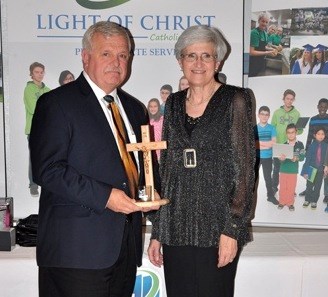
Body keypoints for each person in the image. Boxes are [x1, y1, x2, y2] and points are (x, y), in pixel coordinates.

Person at [29, 21, 161, 297]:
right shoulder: (56, 103)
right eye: (107, 54)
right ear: (86, 57)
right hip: (75, 253)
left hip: (124, 251)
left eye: (123, 55)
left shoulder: (135, 110)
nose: (116, 62)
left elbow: (143, 169)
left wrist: (152, 196)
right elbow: (47, 170)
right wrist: (105, 197)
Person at [147, 24, 256, 297]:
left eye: (206, 56)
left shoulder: (236, 99)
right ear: (180, 61)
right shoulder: (172, 103)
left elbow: (245, 170)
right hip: (176, 225)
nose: (198, 63)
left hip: (218, 227)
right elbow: (167, 168)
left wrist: (232, 229)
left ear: (217, 61)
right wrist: (158, 230)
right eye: (190, 55)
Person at [23, 62, 51, 197]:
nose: (39, 74)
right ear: (31, 74)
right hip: (33, 130)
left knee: (49, 156)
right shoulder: (28, 89)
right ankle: (33, 185)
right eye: (36, 72)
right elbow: (33, 108)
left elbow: (54, 109)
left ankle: (47, 182)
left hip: (47, 130)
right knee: (34, 158)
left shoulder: (48, 90)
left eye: (41, 72)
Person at [271, 89, 302, 195]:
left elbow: (299, 131)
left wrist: (300, 128)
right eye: (287, 98)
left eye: (291, 99)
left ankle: (290, 188)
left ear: (293, 100)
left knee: (289, 168)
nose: (289, 101)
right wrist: (273, 143)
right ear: (283, 98)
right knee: (276, 168)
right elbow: (273, 128)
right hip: (279, 145)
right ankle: (274, 187)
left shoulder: (297, 113)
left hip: (291, 146)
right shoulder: (276, 112)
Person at [299, 98, 328, 202]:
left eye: (325, 106)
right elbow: (310, 135)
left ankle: (326, 194)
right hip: (315, 148)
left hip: (326, 150)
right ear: (317, 106)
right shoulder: (313, 119)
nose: (323, 108)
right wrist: (307, 149)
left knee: (325, 171)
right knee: (312, 169)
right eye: (321, 106)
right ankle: (308, 189)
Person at [277, 124, 305, 211]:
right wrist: (281, 159)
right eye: (288, 133)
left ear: (296, 132)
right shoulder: (283, 145)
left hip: (293, 171)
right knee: (282, 187)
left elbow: (303, 157)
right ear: (286, 133)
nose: (291, 134)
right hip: (283, 170)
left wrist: (296, 158)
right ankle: (281, 201)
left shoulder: (300, 144)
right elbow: (280, 160)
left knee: (291, 187)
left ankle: (290, 203)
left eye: (292, 132)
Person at [254, 106, 278, 205]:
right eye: (262, 114)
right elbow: (253, 144)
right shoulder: (254, 128)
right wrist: (265, 144)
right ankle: (250, 198)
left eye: (266, 114)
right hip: (257, 157)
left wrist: (260, 144)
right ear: (259, 115)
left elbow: (273, 143)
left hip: (268, 157)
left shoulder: (272, 128)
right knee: (253, 178)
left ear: (269, 116)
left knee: (268, 178)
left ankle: (270, 196)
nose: (264, 116)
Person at [301, 126, 327, 210]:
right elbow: (307, 159)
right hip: (311, 169)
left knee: (317, 187)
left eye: (322, 134)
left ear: (325, 135)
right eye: (318, 134)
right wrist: (305, 171)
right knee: (309, 186)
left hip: (320, 170)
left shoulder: (326, 146)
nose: (321, 136)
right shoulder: (312, 145)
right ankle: (307, 199)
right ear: (314, 135)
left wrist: (326, 168)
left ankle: (314, 201)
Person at [249, 12, 277, 77]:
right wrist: (267, 52)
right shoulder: (254, 33)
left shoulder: (264, 33)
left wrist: (272, 49)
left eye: (266, 22)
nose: (264, 24)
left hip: (261, 61)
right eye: (263, 21)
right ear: (259, 21)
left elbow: (263, 47)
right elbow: (251, 52)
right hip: (253, 61)